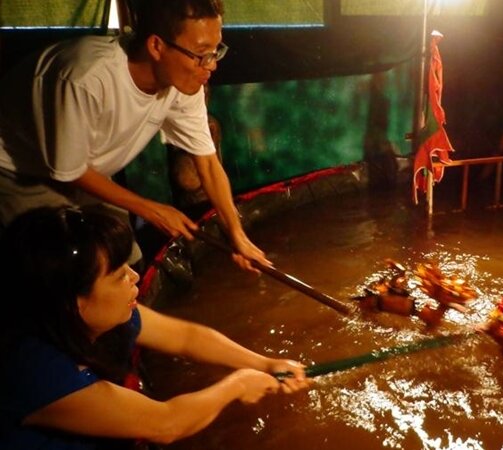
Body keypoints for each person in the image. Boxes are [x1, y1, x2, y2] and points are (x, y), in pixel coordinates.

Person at [0, 205, 310, 449]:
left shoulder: (103, 315)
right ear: (73, 302)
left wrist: (266, 363)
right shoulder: (33, 369)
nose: (134, 278)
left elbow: (187, 337)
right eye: (119, 276)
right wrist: (238, 385)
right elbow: (165, 424)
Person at [0, 0, 267, 273]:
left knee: (125, 258)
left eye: (215, 52)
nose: (211, 66)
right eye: (201, 54)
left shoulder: (184, 84)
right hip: (20, 172)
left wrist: (237, 234)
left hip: (86, 170)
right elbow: (68, 170)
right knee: (70, 272)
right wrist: (152, 210)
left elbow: (208, 165)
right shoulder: (87, 78)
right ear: (156, 46)